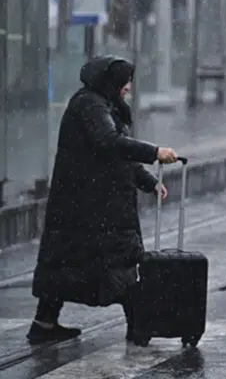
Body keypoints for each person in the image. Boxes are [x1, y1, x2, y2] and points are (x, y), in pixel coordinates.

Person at [28, 56, 178, 345]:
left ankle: (44, 323)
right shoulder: (90, 105)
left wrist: (148, 181)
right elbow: (110, 144)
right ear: (111, 82)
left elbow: (115, 154)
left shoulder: (100, 104)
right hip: (93, 206)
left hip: (85, 204)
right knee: (115, 265)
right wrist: (154, 151)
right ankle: (139, 327)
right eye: (125, 82)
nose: (128, 88)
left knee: (67, 264)